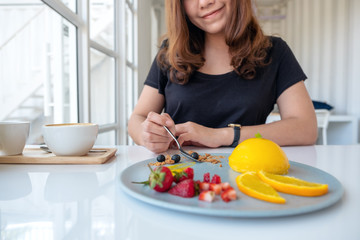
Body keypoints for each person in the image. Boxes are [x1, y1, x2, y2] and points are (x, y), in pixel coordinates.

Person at [128, 0, 317, 153]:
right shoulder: (170, 53)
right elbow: (137, 118)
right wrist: (147, 135)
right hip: (180, 175)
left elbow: (306, 128)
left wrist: (220, 136)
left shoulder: (275, 52)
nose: (204, 2)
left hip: (247, 173)